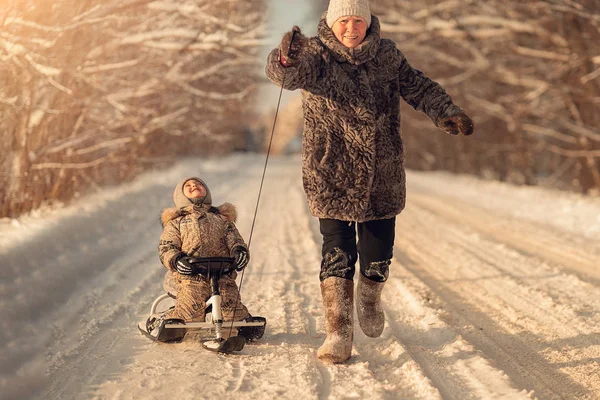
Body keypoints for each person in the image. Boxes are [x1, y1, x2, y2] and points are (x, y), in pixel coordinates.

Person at [265, 0, 474, 363]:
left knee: (378, 252)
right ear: (333, 22)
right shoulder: (315, 54)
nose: (351, 28)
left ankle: (370, 294)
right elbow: (286, 77)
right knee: (337, 247)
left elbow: (419, 87)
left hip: (382, 168)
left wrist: (446, 111)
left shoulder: (387, 55)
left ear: (368, 22)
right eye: (344, 21)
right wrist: (285, 58)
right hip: (331, 168)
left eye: (357, 21)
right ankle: (338, 333)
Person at [148, 177, 251, 337]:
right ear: (180, 196)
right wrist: (176, 259)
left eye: (198, 184)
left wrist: (239, 251)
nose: (194, 186)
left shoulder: (222, 220)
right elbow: (167, 246)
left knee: (232, 313)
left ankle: (244, 322)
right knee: (191, 315)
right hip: (190, 278)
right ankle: (164, 319)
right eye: (188, 186)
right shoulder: (176, 222)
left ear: (207, 192)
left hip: (221, 275)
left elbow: (235, 239)